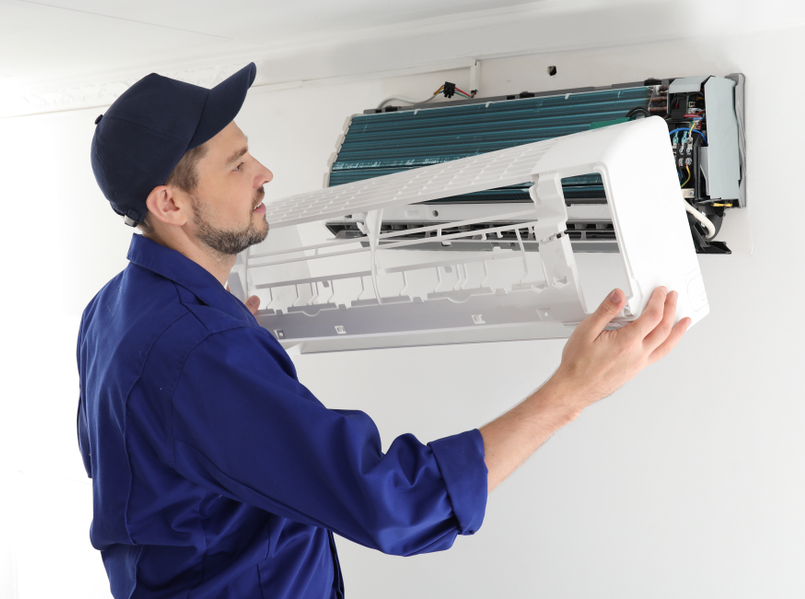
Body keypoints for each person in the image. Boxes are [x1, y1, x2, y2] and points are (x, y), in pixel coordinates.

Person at [77, 63, 690, 599]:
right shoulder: (201, 351)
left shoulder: (115, 310)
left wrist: (231, 349)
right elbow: (398, 507)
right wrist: (571, 393)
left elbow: (164, 459)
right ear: (169, 204)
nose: (264, 171)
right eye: (237, 165)